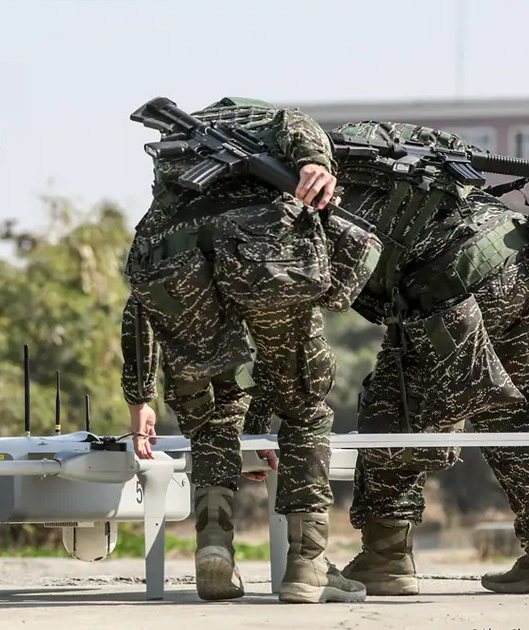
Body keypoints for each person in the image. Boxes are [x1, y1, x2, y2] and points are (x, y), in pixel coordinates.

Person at [317, 121, 529, 596]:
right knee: (528, 409)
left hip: (456, 281)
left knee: (395, 408)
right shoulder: (404, 151)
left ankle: (386, 559)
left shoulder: (318, 184)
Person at [123, 96, 371, 604]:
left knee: (214, 411)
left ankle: (214, 548)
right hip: (265, 252)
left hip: (175, 261)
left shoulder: (177, 155)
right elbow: (303, 134)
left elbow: (139, 305)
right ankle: (307, 564)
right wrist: (315, 165)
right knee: (304, 404)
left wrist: (139, 396)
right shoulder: (275, 119)